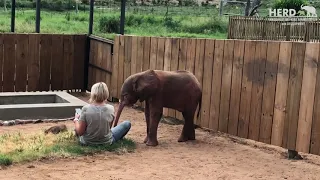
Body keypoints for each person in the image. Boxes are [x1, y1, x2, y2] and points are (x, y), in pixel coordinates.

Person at [73, 82, 131, 146]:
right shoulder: (111, 108)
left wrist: (76, 120)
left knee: (78, 126)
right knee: (127, 124)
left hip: (87, 142)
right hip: (106, 142)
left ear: (93, 94)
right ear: (106, 93)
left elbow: (80, 132)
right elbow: (108, 128)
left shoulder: (86, 109)